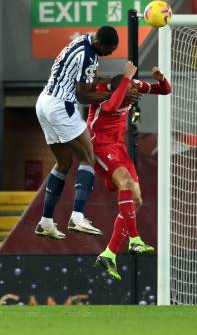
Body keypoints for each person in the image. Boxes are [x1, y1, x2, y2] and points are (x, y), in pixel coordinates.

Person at [34, 26, 131, 239]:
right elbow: (83, 96)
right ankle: (77, 217)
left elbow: (86, 80)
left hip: (43, 103)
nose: (111, 54)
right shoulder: (88, 56)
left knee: (64, 162)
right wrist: (115, 96)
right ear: (100, 44)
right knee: (89, 157)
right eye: (110, 49)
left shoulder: (82, 41)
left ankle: (46, 222)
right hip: (62, 106)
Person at [90, 64, 171, 280]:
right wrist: (127, 78)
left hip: (118, 147)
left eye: (135, 93)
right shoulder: (100, 92)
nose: (134, 98)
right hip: (99, 144)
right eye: (130, 95)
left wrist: (160, 79)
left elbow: (165, 90)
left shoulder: (131, 87)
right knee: (126, 184)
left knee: (137, 200)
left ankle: (109, 254)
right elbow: (111, 106)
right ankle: (135, 240)